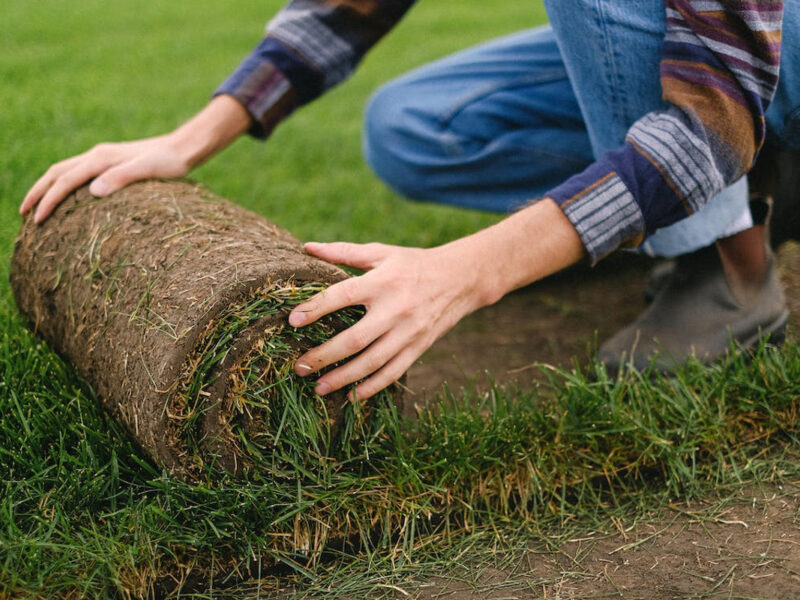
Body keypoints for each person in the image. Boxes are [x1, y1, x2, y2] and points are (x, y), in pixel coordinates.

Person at [20, 1, 797, 401]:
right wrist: (189, 140)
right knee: (413, 128)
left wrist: (467, 272)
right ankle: (754, 187)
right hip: (709, 68)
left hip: (758, 59)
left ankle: (723, 266)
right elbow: (346, 8)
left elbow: (713, 117)